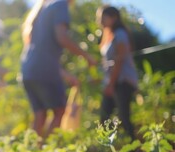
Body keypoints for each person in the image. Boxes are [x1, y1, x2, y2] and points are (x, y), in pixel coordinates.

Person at [21, 0, 97, 138]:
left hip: (28, 68)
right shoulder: (60, 4)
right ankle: (46, 151)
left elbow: (42, 53)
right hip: (43, 68)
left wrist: (67, 76)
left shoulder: (42, 9)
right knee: (59, 110)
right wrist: (87, 56)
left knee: (40, 113)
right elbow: (62, 37)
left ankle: (33, 151)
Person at [96, 5, 138, 140]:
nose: (100, 20)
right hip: (113, 82)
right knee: (105, 117)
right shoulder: (109, 35)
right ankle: (109, 150)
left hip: (122, 82)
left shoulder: (119, 34)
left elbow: (119, 61)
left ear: (113, 18)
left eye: (103, 17)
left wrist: (111, 84)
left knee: (123, 117)